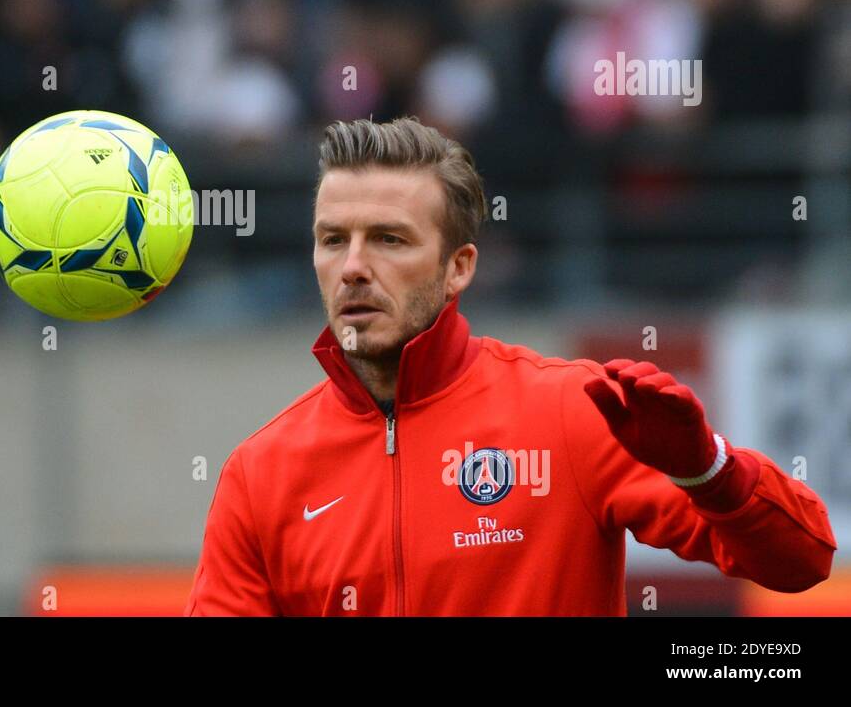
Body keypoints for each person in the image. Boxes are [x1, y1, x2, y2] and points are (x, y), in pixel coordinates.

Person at [184, 116, 837, 616]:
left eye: (389, 238)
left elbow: (804, 558)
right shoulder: (261, 473)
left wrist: (710, 469)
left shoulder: (571, 412)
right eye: (334, 239)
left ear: (458, 266)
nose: (354, 264)